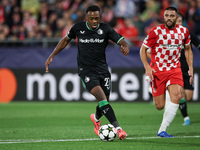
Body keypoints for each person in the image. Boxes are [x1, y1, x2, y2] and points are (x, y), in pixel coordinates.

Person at [45, 5, 129, 140]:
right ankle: (118, 129)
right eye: (92, 19)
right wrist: (52, 55)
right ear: (87, 18)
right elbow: (65, 40)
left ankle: (95, 118)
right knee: (102, 99)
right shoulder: (78, 28)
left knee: (105, 102)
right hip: (86, 71)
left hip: (103, 70)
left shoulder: (105, 29)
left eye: (97, 18)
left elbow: (122, 40)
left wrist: (125, 46)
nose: (95, 21)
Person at [140, 6, 193, 138]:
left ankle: (162, 130)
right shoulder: (156, 31)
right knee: (159, 106)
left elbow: (187, 49)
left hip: (175, 69)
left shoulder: (184, 31)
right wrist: (147, 67)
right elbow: (143, 49)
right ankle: (154, 90)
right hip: (158, 70)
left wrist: (190, 68)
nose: (169, 18)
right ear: (163, 17)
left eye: (172, 16)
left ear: (177, 17)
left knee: (177, 95)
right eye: (167, 16)